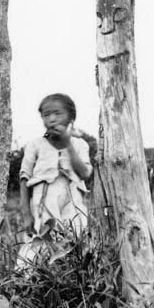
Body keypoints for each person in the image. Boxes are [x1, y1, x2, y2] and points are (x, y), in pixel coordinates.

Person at [15, 93, 93, 271]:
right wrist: (26, 214)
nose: (51, 119)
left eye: (57, 113)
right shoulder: (35, 145)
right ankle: (26, 280)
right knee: (40, 240)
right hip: (44, 201)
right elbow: (24, 179)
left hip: (73, 201)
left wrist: (68, 144)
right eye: (46, 115)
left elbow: (85, 173)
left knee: (75, 239)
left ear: (71, 117)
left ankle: (70, 281)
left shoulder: (80, 145)